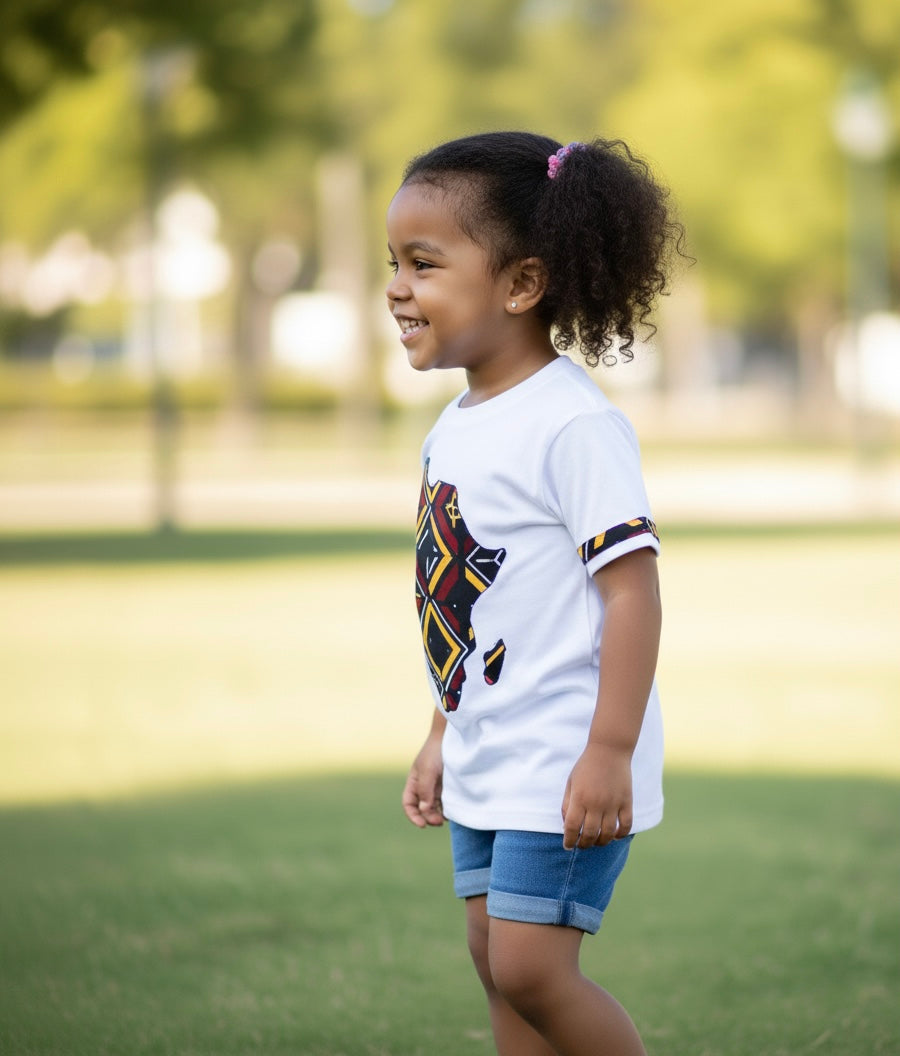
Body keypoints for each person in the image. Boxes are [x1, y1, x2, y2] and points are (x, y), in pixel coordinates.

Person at [387, 131, 683, 1056]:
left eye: (424, 264)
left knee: (531, 968)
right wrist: (441, 731)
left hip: (562, 757)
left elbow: (632, 592)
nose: (397, 286)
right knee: (493, 959)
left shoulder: (572, 425)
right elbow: (462, 601)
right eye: (392, 264)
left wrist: (610, 751)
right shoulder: (456, 423)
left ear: (520, 284)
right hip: (486, 745)